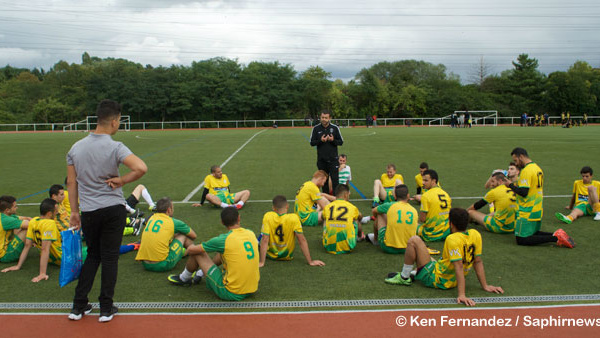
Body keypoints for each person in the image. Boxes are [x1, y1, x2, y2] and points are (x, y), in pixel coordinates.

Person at [66, 99, 147, 322]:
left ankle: (78, 306)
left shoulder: (75, 148)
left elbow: (71, 184)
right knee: (110, 258)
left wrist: (74, 211)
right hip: (112, 209)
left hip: (89, 210)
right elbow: (141, 168)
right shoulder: (115, 146)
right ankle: (106, 308)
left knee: (93, 255)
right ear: (113, 121)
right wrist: (122, 180)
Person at [384, 208, 504, 307]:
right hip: (451, 278)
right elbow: (478, 261)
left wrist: (461, 294)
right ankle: (414, 273)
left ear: (451, 223)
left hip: (438, 279)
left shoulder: (452, 239)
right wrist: (485, 285)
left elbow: (458, 266)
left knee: (414, 241)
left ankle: (404, 277)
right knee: (427, 254)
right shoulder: (475, 234)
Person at [167, 207, 259, 301]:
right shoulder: (250, 233)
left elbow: (191, 250)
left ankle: (184, 278)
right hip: (252, 289)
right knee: (225, 251)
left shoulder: (223, 240)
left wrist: (184, 248)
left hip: (231, 292)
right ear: (239, 218)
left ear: (222, 222)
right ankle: (200, 273)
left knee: (197, 252)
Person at [1, 198, 87, 282]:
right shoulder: (50, 223)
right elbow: (45, 249)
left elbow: (27, 246)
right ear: (50, 213)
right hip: (65, 258)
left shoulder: (33, 221)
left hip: (51, 259)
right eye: (56, 210)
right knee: (93, 250)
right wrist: (42, 273)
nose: (57, 212)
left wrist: (18, 266)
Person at [507, 147, 574, 248]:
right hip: (537, 209)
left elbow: (524, 192)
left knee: (521, 239)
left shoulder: (526, 170)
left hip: (527, 211)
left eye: (515, 160)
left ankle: (556, 238)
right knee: (533, 233)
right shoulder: (537, 168)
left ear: (521, 156)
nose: (516, 163)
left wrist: (510, 185)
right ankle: (557, 234)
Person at [258, 195, 325, 267]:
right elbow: (301, 240)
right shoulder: (294, 218)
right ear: (287, 206)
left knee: (262, 235)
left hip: (270, 255)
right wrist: (310, 261)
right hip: (286, 256)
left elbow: (265, 240)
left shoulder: (268, 216)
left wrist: (262, 262)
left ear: (273, 208)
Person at [135, 197, 197, 272]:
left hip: (145, 264)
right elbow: (194, 236)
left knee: (168, 234)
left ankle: (184, 252)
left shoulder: (151, 218)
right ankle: (194, 252)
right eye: (172, 208)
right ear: (169, 210)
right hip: (162, 265)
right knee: (182, 235)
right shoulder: (174, 222)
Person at [367, 185, 418, 254]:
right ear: (408, 196)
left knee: (380, 214)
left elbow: (374, 211)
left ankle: (375, 239)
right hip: (408, 248)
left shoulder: (389, 205)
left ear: (395, 197)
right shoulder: (413, 210)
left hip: (388, 247)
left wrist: (377, 221)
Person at [322, 184, 369, 254]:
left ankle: (326, 238)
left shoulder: (328, 206)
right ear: (346, 194)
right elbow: (360, 216)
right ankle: (360, 236)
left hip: (328, 247)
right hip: (348, 247)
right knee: (355, 219)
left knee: (326, 219)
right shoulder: (352, 207)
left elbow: (322, 217)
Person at [310, 110, 344, 194]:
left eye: (326, 118)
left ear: (330, 118)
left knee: (335, 180)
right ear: (320, 118)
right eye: (322, 117)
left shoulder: (335, 128)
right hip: (322, 160)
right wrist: (320, 140)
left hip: (333, 160)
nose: (324, 119)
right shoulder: (316, 128)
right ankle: (326, 199)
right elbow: (312, 143)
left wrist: (333, 140)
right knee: (323, 181)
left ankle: (336, 199)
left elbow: (341, 142)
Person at [418, 169, 451, 242]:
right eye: (423, 180)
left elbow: (422, 219)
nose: (423, 183)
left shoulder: (425, 196)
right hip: (446, 233)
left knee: (414, 225)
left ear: (433, 181)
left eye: (426, 181)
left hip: (431, 235)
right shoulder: (446, 194)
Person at [0, 196, 30, 263]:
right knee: (26, 229)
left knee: (18, 226)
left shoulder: (4, 216)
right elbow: (30, 225)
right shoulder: (6, 220)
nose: (17, 208)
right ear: (7, 210)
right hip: (4, 255)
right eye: (15, 206)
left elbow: (26, 218)